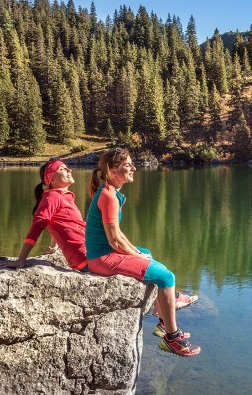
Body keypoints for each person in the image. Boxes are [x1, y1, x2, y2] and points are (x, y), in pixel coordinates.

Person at [86, 148, 201, 357]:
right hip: (102, 259)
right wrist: (136, 256)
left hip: (102, 255)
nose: (134, 168)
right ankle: (172, 338)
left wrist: (138, 252)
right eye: (128, 165)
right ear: (113, 171)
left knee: (145, 251)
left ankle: (162, 320)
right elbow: (114, 240)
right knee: (166, 276)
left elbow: (118, 235)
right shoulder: (109, 196)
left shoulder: (109, 192)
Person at [2, 158, 87, 271]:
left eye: (67, 168)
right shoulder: (52, 197)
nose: (69, 170)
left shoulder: (63, 196)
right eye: (62, 169)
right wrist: (21, 259)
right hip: (85, 257)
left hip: (91, 250)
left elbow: (58, 222)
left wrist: (54, 246)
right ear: (51, 180)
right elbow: (37, 226)